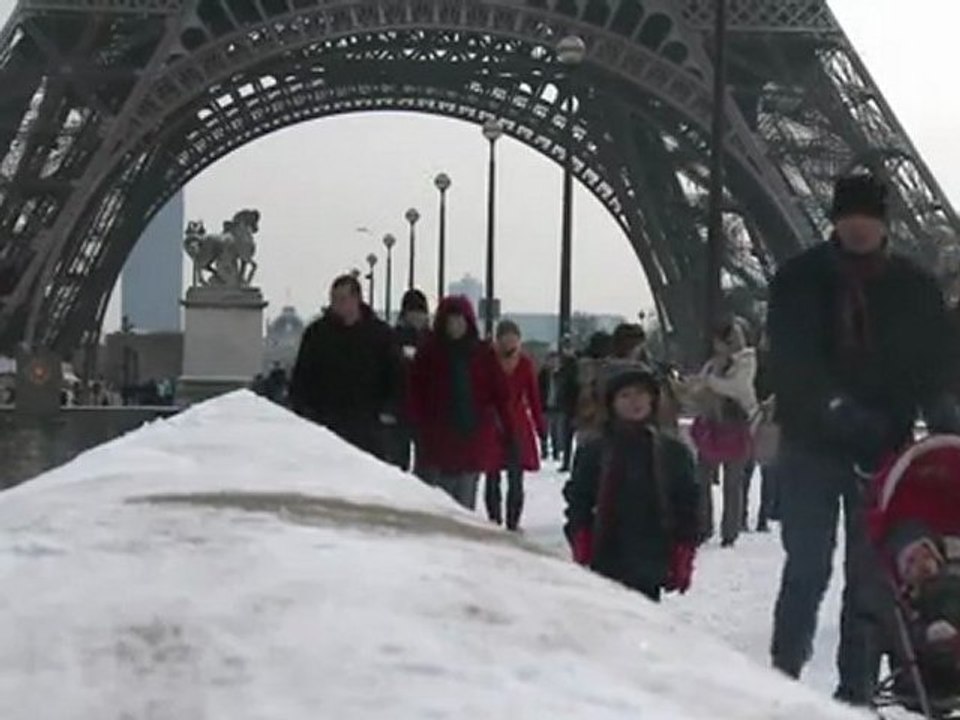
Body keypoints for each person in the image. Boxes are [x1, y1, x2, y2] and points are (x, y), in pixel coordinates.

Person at [768, 173, 960, 706]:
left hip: (884, 450)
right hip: (812, 442)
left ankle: (855, 687)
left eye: (868, 218)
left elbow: (935, 364)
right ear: (835, 220)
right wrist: (833, 407)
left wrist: (942, 407)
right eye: (849, 217)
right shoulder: (798, 281)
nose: (858, 227)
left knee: (869, 575)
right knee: (807, 564)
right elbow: (790, 361)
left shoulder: (916, 289)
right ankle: (783, 672)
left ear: (883, 223)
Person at [562, 368, 700, 602]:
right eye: (625, 395)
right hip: (606, 552)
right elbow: (579, 499)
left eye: (640, 394)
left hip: (652, 554)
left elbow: (688, 504)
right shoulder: (595, 451)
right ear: (612, 403)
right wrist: (580, 536)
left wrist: (683, 550)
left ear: (652, 400)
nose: (634, 402)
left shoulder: (673, 452)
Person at [409, 296, 512, 510]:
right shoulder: (429, 354)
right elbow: (415, 392)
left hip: (470, 443)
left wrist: (509, 432)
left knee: (464, 507)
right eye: (450, 321)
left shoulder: (483, 355)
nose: (454, 326)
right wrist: (417, 428)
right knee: (438, 508)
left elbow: (501, 395)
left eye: (459, 321)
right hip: (437, 444)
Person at [289, 274, 400, 458]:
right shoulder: (317, 335)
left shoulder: (380, 335)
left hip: (368, 430)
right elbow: (302, 378)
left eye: (342, 299)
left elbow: (396, 377)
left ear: (356, 299)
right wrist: (305, 412)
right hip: (326, 427)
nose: (336, 305)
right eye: (333, 300)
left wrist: (388, 411)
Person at [688, 320, 758, 548]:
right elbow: (699, 388)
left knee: (732, 482)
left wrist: (710, 382)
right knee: (703, 478)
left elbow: (738, 388)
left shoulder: (746, 361)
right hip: (712, 424)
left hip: (735, 424)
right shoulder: (712, 364)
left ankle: (730, 530)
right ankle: (703, 525)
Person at [486, 320, 545, 531]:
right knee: (492, 473)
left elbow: (533, 397)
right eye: (506, 339)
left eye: (514, 340)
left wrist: (540, 426)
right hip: (492, 422)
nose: (510, 345)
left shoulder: (525, 364)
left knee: (515, 475)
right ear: (498, 339)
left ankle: (512, 520)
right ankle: (494, 517)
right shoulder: (489, 361)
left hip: (517, 424)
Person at [391, 289, 431, 473]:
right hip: (400, 407)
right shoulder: (394, 338)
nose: (417, 317)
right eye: (413, 313)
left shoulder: (432, 340)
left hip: (426, 410)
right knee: (398, 460)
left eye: (421, 313)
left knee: (426, 462)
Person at [538, 352, 564, 462]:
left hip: (558, 407)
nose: (553, 363)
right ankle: (544, 451)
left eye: (555, 361)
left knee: (556, 431)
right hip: (545, 406)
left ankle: (556, 452)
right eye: (551, 360)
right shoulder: (543, 374)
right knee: (544, 430)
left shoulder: (562, 374)